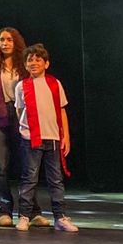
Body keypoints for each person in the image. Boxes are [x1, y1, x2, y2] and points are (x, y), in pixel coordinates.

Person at [13, 44, 78, 232]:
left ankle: (60, 217)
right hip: (31, 138)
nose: (33, 63)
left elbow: (62, 110)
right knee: (29, 178)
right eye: (29, 60)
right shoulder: (21, 86)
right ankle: (25, 215)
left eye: (37, 59)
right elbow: (19, 111)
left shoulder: (54, 83)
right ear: (25, 65)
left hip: (53, 138)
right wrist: (25, 129)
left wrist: (65, 136)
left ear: (46, 63)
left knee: (55, 179)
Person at [0, 27, 29, 227]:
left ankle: (30, 211)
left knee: (28, 165)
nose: (5, 43)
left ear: (16, 43)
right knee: (0, 165)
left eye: (9, 40)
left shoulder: (25, 66)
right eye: (1, 40)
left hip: (22, 115)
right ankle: (3, 210)